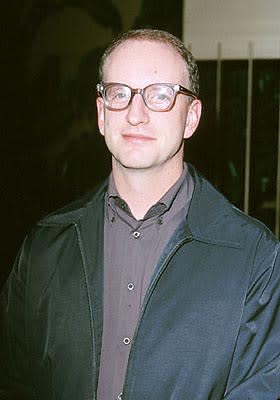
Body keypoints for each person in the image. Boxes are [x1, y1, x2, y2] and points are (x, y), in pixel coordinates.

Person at [1, 29, 280, 400]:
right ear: (101, 114)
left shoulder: (254, 257)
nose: (136, 114)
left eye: (160, 95)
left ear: (191, 117)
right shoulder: (45, 246)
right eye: (119, 94)